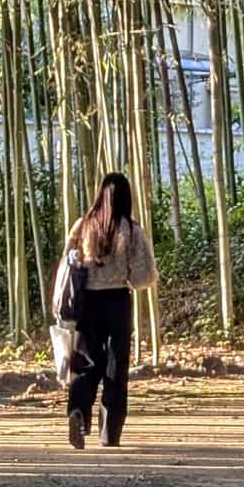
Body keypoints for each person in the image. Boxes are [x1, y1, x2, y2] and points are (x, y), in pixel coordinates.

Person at [53, 171, 156, 449]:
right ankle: (110, 432)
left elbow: (67, 260)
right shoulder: (131, 230)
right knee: (115, 367)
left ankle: (77, 410)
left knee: (85, 363)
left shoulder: (82, 225)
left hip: (86, 304)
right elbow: (143, 276)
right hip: (117, 303)